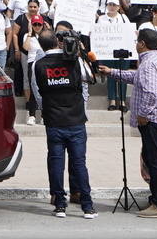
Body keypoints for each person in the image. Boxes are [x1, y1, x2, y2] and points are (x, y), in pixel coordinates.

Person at [35, 26, 97, 219]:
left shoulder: (38, 65)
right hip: (75, 119)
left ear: (41, 45)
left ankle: (60, 205)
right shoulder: (73, 60)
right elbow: (90, 78)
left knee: (56, 163)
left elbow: (38, 93)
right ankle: (87, 206)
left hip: (54, 120)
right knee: (79, 163)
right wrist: (80, 52)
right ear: (57, 41)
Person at [130, 27, 157, 218]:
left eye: (137, 41)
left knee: (156, 162)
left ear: (142, 44)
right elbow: (137, 79)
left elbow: (149, 93)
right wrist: (113, 72)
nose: (136, 44)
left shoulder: (148, 64)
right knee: (152, 159)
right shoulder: (155, 60)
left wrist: (143, 114)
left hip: (153, 120)